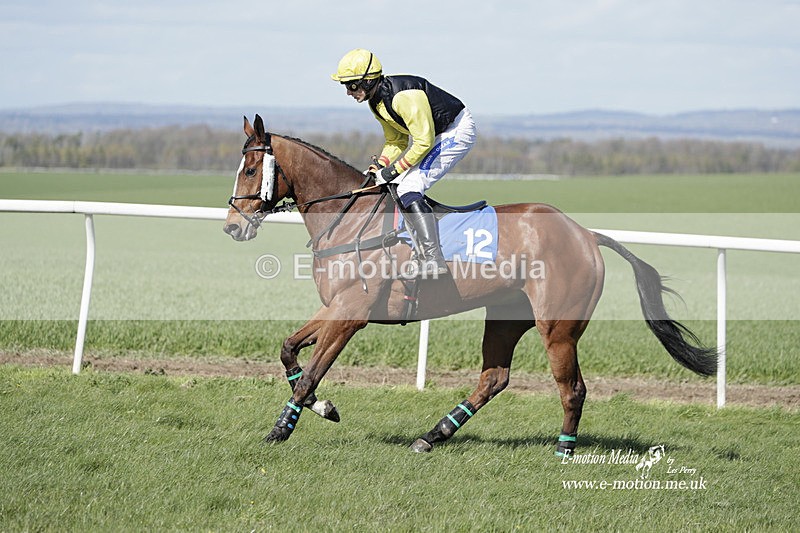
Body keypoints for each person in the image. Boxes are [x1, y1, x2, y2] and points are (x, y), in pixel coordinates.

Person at [331, 48, 477, 277]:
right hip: (433, 136)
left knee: (408, 186)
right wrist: (381, 164)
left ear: (368, 82)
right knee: (395, 186)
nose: (348, 92)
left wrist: (393, 170)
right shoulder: (375, 101)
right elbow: (396, 140)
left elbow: (422, 142)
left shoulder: (403, 98)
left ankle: (433, 258)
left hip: (455, 131)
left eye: (351, 85)